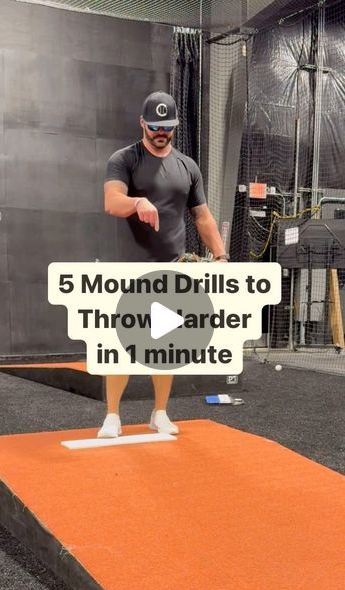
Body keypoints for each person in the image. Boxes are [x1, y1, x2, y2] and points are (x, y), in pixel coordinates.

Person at [97, 90, 227, 438]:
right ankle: (112, 415)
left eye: (167, 127)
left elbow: (202, 217)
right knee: (120, 343)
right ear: (142, 122)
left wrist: (221, 256)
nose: (160, 132)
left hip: (173, 268)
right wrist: (137, 202)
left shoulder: (187, 167)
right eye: (154, 126)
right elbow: (112, 201)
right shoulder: (124, 159)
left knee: (166, 344)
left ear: (175, 126)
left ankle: (159, 413)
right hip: (130, 268)